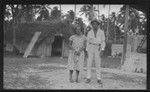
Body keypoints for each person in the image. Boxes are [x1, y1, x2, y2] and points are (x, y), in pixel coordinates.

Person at [85, 19, 106, 85]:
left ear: (98, 25)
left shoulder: (101, 32)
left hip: (98, 48)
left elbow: (103, 42)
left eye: (96, 24)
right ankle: (88, 77)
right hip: (90, 47)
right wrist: (86, 51)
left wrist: (102, 50)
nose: (94, 25)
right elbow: (87, 42)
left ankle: (99, 78)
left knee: (98, 63)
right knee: (89, 63)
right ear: (92, 25)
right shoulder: (89, 32)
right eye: (93, 24)